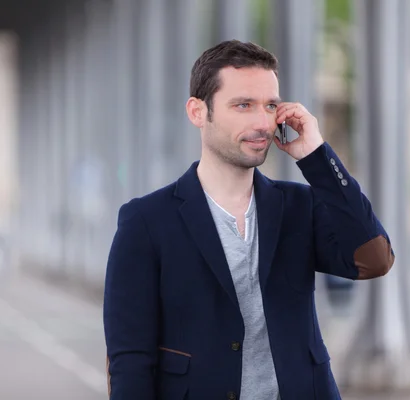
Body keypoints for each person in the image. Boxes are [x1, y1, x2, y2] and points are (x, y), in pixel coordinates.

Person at [103, 40, 394, 400]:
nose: (261, 122)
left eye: (270, 105)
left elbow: (374, 259)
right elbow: (130, 360)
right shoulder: (146, 221)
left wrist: (317, 158)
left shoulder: (299, 206)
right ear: (197, 111)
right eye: (243, 105)